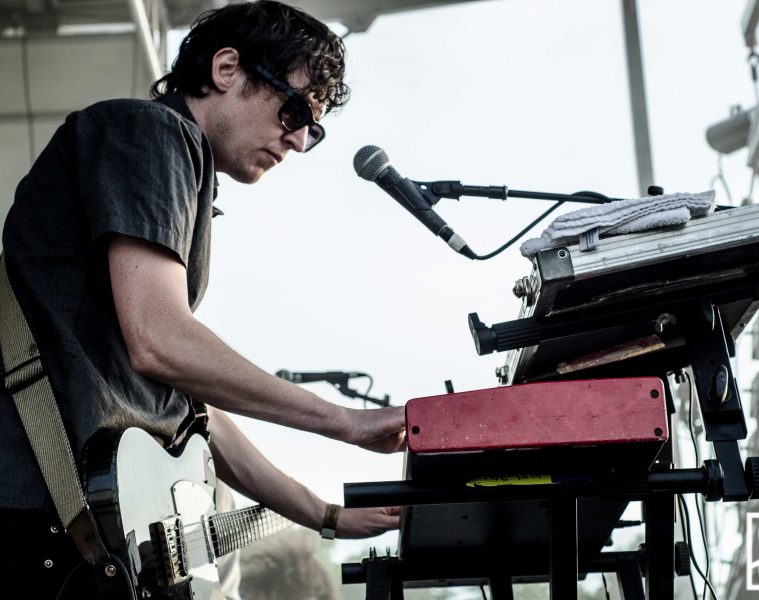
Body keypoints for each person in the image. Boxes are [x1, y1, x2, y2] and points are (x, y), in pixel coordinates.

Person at [0, 2, 406, 598]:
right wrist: (344, 422)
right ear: (226, 69)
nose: (298, 139)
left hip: (68, 524)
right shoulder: (153, 133)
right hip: (39, 510)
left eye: (312, 129)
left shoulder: (174, 165)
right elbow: (161, 341)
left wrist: (326, 515)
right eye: (294, 110)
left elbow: (195, 409)